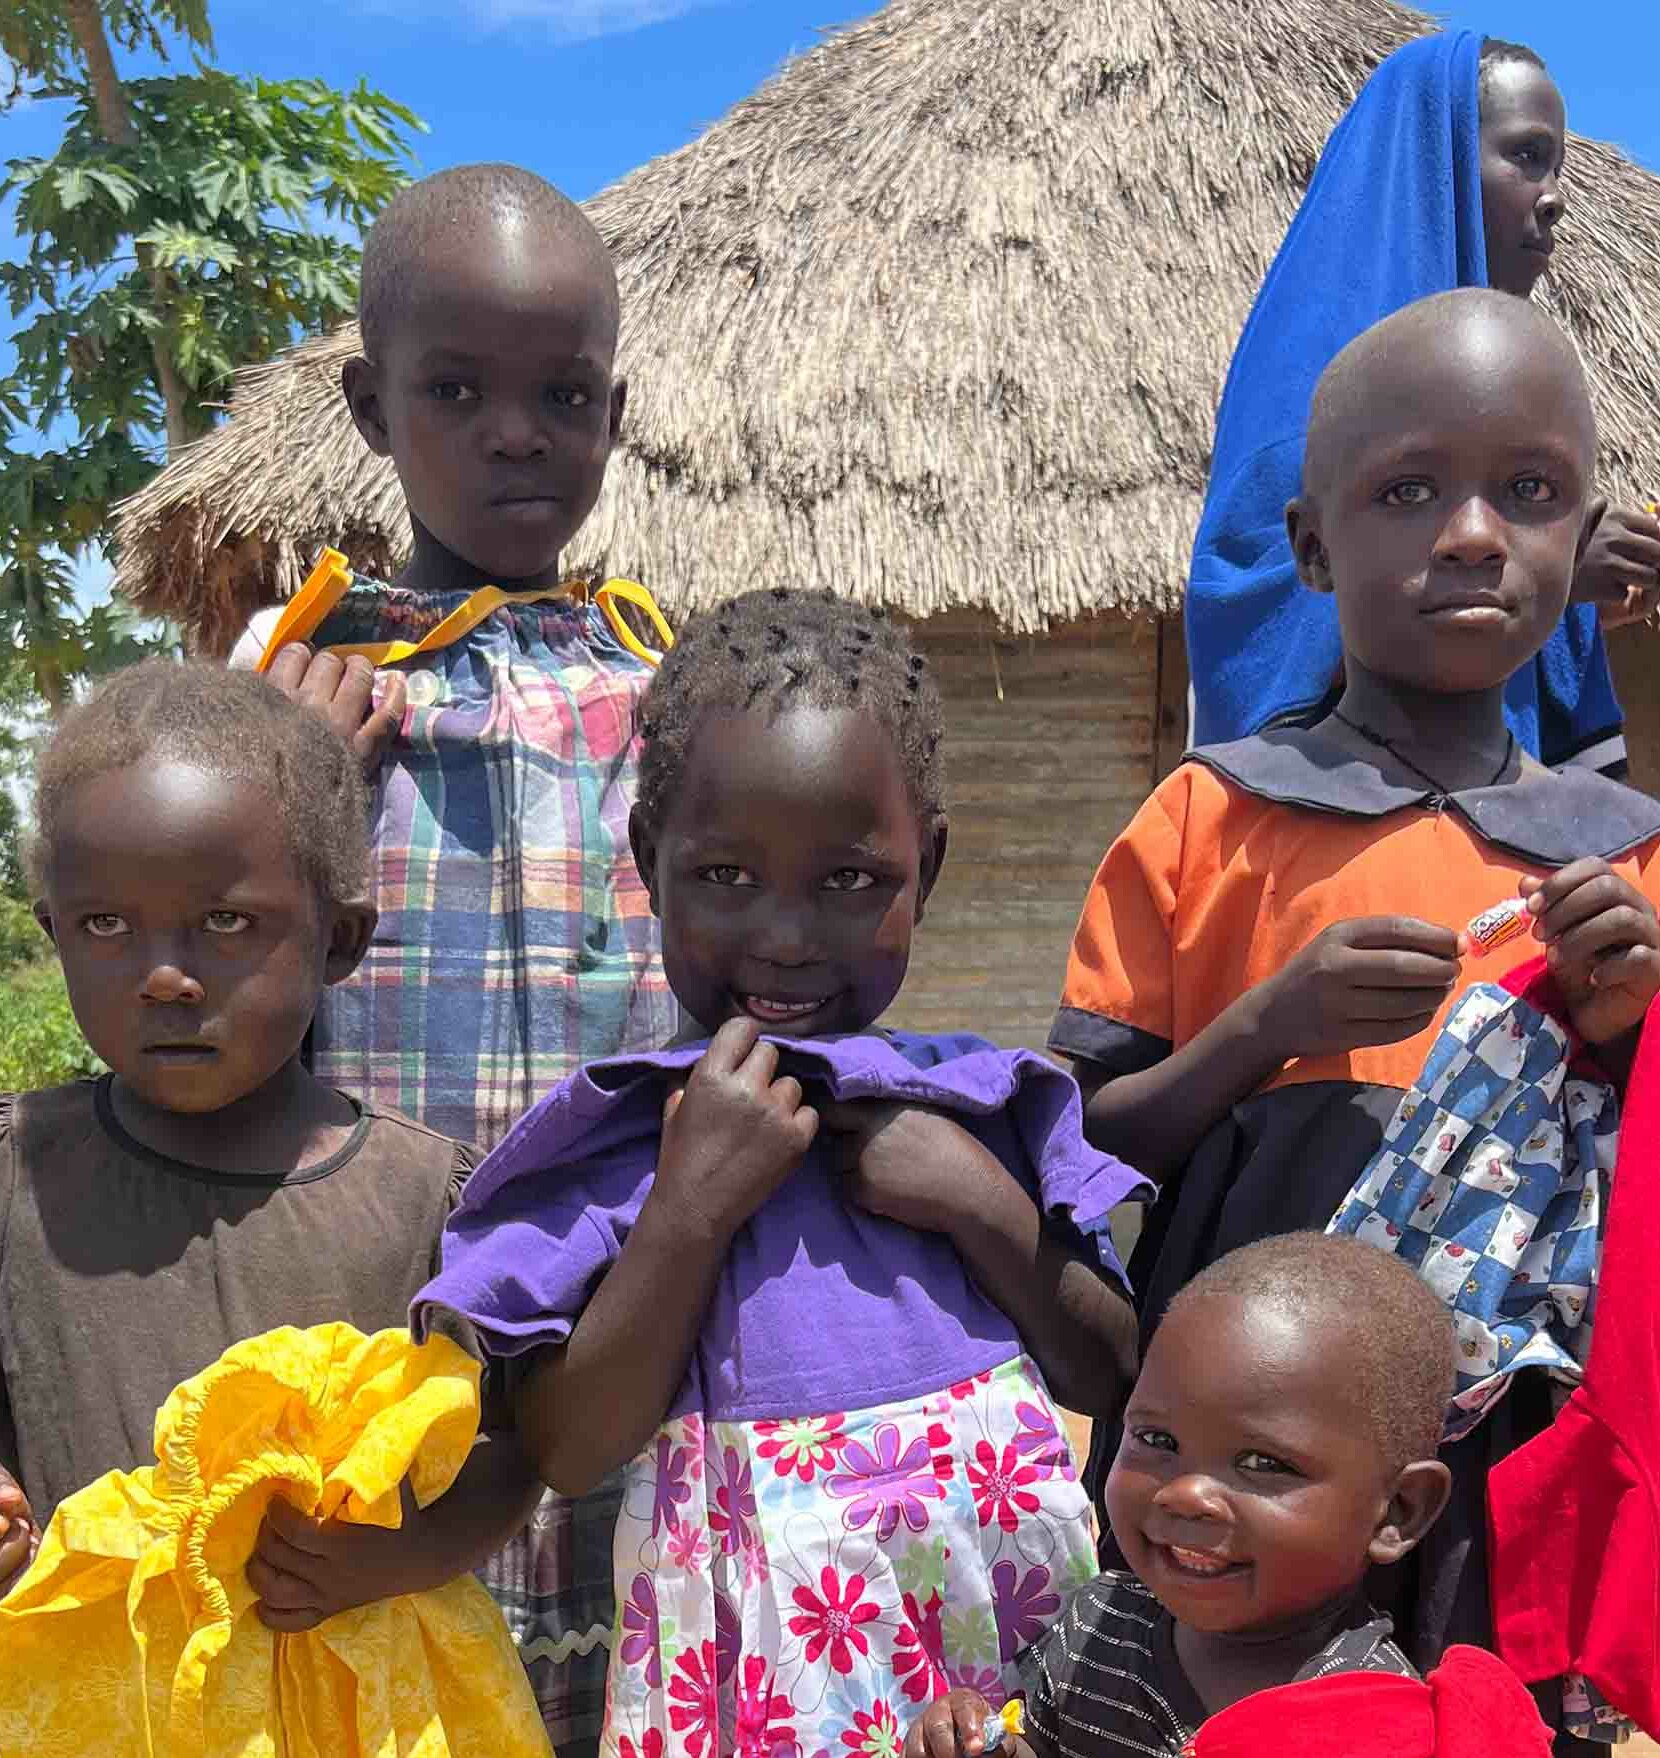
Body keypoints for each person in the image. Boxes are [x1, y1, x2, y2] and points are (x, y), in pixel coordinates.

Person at [412, 588, 1152, 1758]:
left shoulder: (989, 1107)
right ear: (651, 863)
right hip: (751, 1698)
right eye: (725, 877)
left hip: (1009, 1682)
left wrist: (974, 1197)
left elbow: (1114, 1372)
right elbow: (566, 1447)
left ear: (930, 867)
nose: (789, 934)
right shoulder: (616, 1138)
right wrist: (687, 1211)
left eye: (851, 882)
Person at [1050, 290, 1660, 1686]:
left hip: (1516, 1476)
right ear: (1317, 548)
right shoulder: (1213, 818)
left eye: (1529, 492)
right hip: (1238, 1490)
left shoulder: (1628, 852)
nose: (1470, 533)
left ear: (1582, 538)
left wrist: (1634, 1026)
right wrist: (1276, 1023)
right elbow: (1078, 1153)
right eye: (1408, 490)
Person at [228, 163, 677, 1755]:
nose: (514, 431)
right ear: (368, 404)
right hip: (370, 1347)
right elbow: (199, 991)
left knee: (613, 1672)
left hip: (626, 1340)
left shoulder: (671, 692)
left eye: (560, 393)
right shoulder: (290, 691)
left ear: (613, 413)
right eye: (457, 389)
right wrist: (282, 803)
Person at [0, 661, 540, 1623]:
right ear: (56, 932)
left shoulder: (427, 1197)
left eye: (224, 920)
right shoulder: (16, 1175)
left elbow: (516, 1447)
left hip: (345, 1702)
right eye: (106, 924)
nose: (165, 977)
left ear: (340, 941)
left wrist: (412, 1553)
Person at [1184, 31, 1660, 779]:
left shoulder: (1516, 390)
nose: (1556, 197)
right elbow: (1252, 632)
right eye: (1527, 157)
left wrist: (1565, 592)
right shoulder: (1318, 394)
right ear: (1435, 170)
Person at [901, 1235, 1551, 1758]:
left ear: (1398, 1511)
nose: (1186, 1493)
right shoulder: (1094, 1625)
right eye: (1156, 1437)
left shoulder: (1372, 1721)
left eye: (1263, 1463)